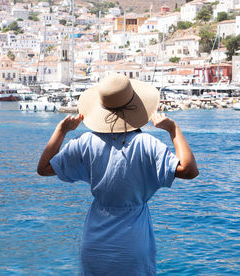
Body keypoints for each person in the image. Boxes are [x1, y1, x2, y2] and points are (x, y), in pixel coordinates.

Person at [37, 74, 198, 275]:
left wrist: (61, 130)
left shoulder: (85, 142)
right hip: (133, 243)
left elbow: (43, 169)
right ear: (136, 106)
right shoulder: (145, 144)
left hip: (95, 243)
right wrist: (173, 129)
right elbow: (189, 170)